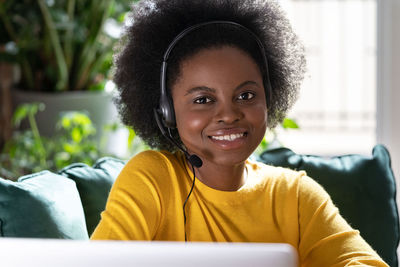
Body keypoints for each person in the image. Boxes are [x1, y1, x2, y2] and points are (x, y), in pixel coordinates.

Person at [91, 0, 388, 266]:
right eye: (203, 100)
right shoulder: (152, 179)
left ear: (268, 98)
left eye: (246, 96)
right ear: (167, 111)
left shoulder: (295, 195)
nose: (229, 114)